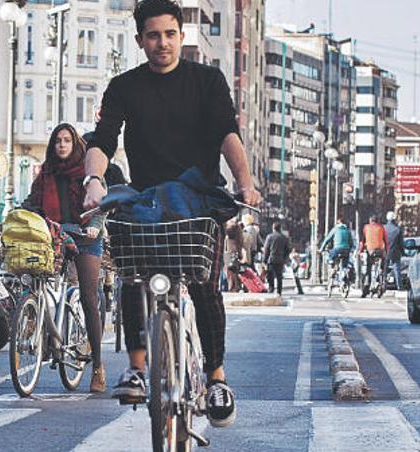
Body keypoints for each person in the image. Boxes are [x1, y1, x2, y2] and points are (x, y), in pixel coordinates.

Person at [82, 0, 262, 427]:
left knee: (203, 287)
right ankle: (138, 367)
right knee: (131, 273)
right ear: (141, 40)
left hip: (198, 200)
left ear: (181, 35)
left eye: (169, 34)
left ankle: (216, 377)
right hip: (148, 201)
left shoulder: (207, 80)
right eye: (152, 35)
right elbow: (103, 140)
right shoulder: (124, 86)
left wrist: (245, 182)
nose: (161, 43)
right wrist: (93, 181)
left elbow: (227, 134)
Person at [23, 123, 108, 393]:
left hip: (85, 236)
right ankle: (40, 325)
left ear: (75, 144)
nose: (62, 145)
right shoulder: (46, 173)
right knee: (35, 276)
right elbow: (33, 202)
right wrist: (19, 214)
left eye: (67, 140)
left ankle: (97, 367)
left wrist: (94, 224)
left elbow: (101, 203)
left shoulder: (88, 171)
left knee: (88, 296)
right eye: (58, 140)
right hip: (56, 234)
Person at [359, 215, 388, 296]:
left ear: (370, 220)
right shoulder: (381, 228)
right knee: (382, 265)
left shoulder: (366, 227)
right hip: (380, 251)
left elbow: (362, 240)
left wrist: (360, 251)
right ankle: (381, 279)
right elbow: (385, 240)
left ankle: (366, 287)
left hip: (370, 251)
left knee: (368, 268)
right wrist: (386, 251)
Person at [262, 222, 289, 295]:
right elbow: (287, 250)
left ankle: (271, 289)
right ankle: (279, 291)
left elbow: (266, 249)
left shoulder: (269, 237)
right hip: (280, 259)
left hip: (271, 259)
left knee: (270, 275)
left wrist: (264, 260)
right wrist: (284, 259)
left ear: (273, 228)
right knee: (279, 276)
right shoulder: (284, 238)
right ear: (280, 228)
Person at [384, 211, 404, 290]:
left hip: (385, 252)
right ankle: (399, 285)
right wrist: (403, 252)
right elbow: (401, 243)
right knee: (397, 270)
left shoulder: (383, 228)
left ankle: (383, 284)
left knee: (384, 270)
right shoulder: (397, 229)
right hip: (395, 252)